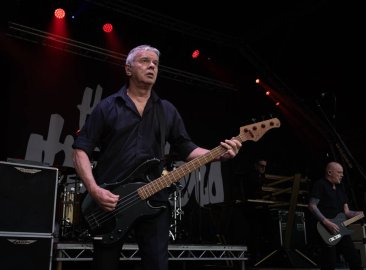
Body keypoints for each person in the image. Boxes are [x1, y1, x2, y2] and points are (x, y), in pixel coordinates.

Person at [72, 44, 241, 270]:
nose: (152, 65)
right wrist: (94, 189)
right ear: (128, 69)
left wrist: (220, 154)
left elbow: (188, 149)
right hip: (110, 202)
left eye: (155, 63)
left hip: (154, 200)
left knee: (157, 264)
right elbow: (80, 149)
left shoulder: (166, 110)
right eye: (144, 61)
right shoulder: (108, 106)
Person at [308, 161, 363, 270]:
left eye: (342, 172)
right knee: (329, 262)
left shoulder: (341, 187)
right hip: (325, 230)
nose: (342, 175)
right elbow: (312, 206)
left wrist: (362, 213)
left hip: (341, 229)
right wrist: (327, 222)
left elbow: (347, 212)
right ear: (329, 172)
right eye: (339, 172)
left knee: (354, 259)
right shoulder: (320, 184)